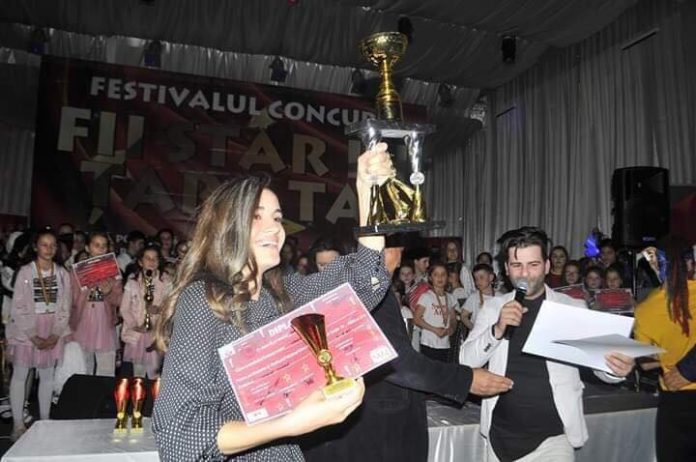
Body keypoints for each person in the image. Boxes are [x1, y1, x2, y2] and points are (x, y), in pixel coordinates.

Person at [152, 144, 393, 461]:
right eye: (256, 216)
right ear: (227, 226)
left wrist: (369, 192)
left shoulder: (282, 294)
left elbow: (365, 282)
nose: (275, 228)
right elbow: (180, 434)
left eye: (277, 218)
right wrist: (289, 424)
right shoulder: (205, 300)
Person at [301, 241, 513, 462]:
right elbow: (394, 360)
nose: (399, 252)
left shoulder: (372, 288)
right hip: (375, 427)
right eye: (324, 266)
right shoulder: (363, 293)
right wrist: (464, 379)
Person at [460, 226, 635, 462]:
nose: (525, 273)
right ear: (506, 269)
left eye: (533, 264)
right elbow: (466, 360)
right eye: (516, 265)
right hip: (500, 438)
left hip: (553, 440)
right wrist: (497, 329)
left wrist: (616, 369)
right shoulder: (493, 307)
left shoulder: (570, 307)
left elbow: (600, 365)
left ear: (547, 266)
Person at [634, 235, 696, 461]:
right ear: (690, 263)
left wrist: (668, 356)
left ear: (656, 265)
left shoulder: (646, 309)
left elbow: (646, 362)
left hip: (674, 402)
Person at [7, 229, 71, 441]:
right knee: (20, 374)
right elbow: (18, 306)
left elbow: (65, 306)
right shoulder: (26, 272)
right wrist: (33, 335)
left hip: (51, 328)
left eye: (53, 245)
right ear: (35, 247)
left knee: (47, 375)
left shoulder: (62, 273)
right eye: (44, 244)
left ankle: (44, 419)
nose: (49, 249)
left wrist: (55, 333)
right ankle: (18, 424)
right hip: (27, 329)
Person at [70, 232, 123, 377]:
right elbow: (71, 299)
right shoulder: (76, 271)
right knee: (83, 368)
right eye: (96, 245)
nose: (100, 249)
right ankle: (85, 392)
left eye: (104, 246)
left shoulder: (112, 270)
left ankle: (104, 392)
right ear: (88, 248)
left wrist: (108, 293)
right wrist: (87, 287)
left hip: (104, 323)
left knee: (106, 369)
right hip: (83, 322)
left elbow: (119, 299)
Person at [120, 244, 171, 379]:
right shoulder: (133, 282)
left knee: (155, 373)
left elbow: (171, 305)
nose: (151, 261)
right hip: (137, 333)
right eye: (147, 258)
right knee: (138, 373)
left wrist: (159, 309)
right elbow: (124, 308)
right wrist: (135, 326)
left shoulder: (166, 281)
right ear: (140, 262)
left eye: (155, 258)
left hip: (156, 333)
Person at [413, 262, 457, 362]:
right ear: (430, 278)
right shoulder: (426, 296)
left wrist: (452, 329)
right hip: (429, 343)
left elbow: (453, 319)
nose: (440, 277)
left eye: (443, 274)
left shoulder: (450, 297)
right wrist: (435, 330)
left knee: (443, 369)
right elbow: (416, 319)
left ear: (447, 277)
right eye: (436, 274)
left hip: (445, 344)